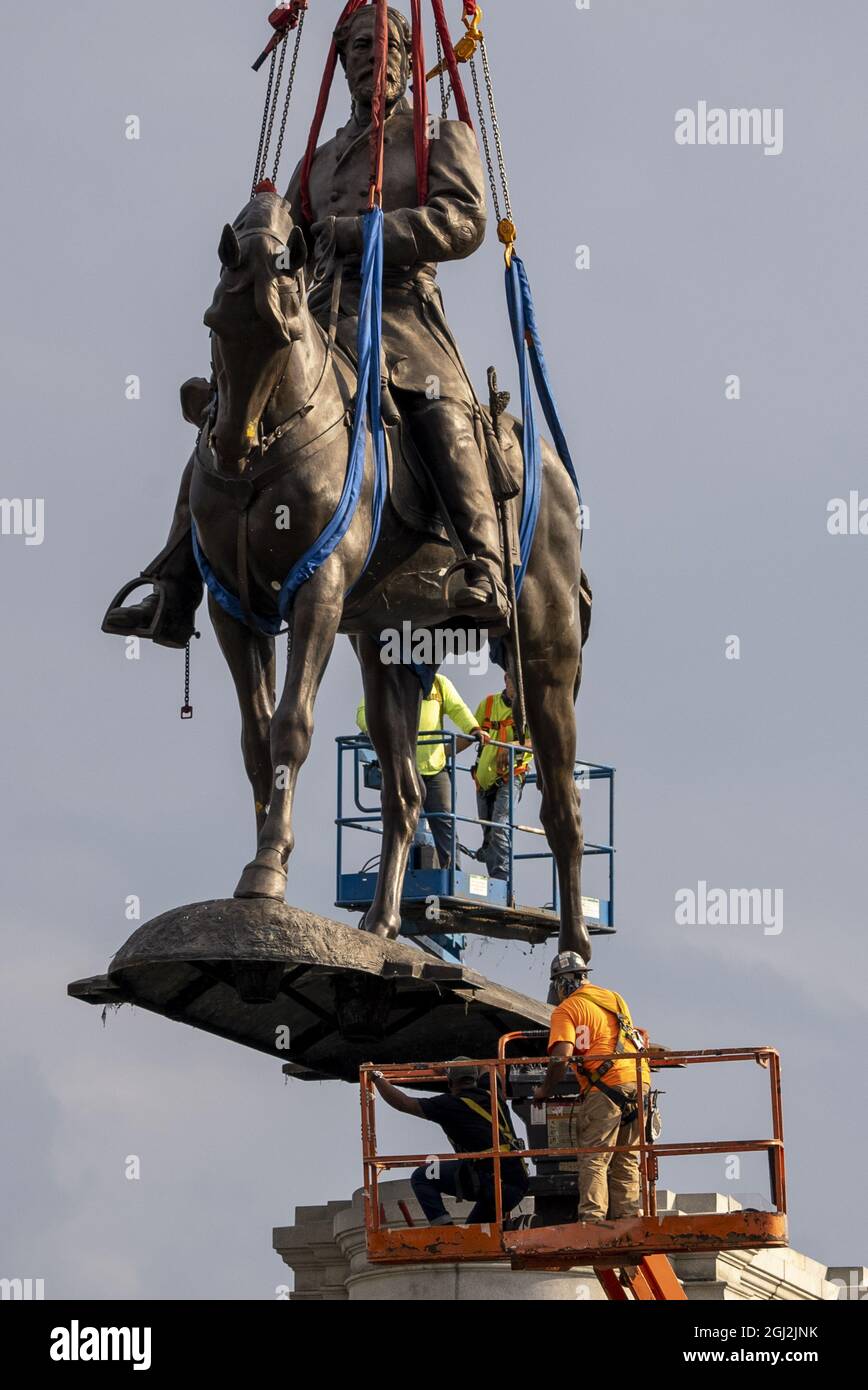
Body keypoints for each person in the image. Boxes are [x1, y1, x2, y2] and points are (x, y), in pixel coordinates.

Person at [104, 3, 507, 646]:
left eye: (388, 47)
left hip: (401, 308)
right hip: (316, 317)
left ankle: (484, 563)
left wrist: (365, 232)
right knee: (223, 420)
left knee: (440, 407)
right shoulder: (314, 163)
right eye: (360, 50)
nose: (375, 59)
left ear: (407, 58)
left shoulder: (439, 136)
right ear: (344, 64)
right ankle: (174, 586)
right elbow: (282, 238)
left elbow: (464, 224)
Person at [532, 952, 650, 1223]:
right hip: (638, 1081)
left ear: (562, 983)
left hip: (606, 1088)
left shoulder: (566, 1010)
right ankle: (628, 1219)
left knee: (595, 1156)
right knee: (626, 1157)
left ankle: (593, 1220)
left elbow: (560, 1057)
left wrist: (544, 1091)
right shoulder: (615, 998)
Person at [372, 1058, 529, 1226]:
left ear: (449, 1083)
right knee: (473, 1236)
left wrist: (376, 1076)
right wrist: (454, 1065)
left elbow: (404, 1103)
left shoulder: (450, 1105)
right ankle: (513, 1228)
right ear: (475, 1079)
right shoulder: (492, 1092)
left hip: (490, 1181)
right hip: (516, 1182)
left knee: (422, 1177)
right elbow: (485, 1065)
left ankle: (444, 1229)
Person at [357, 672, 487, 869]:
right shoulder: (390, 678)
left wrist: (474, 729)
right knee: (399, 823)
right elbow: (363, 712)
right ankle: (396, 874)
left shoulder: (439, 684)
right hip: (402, 767)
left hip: (435, 767)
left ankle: (453, 876)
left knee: (444, 820)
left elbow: (458, 708)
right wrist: (379, 728)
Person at [461, 671, 532, 883]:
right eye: (514, 681)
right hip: (483, 781)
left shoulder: (530, 709)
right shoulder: (489, 704)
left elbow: (538, 742)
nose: (518, 688)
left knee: (500, 827)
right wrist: (441, 753)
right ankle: (495, 879)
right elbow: (470, 736)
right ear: (506, 679)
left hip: (511, 777)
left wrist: (510, 746)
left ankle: (502, 885)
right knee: (489, 835)